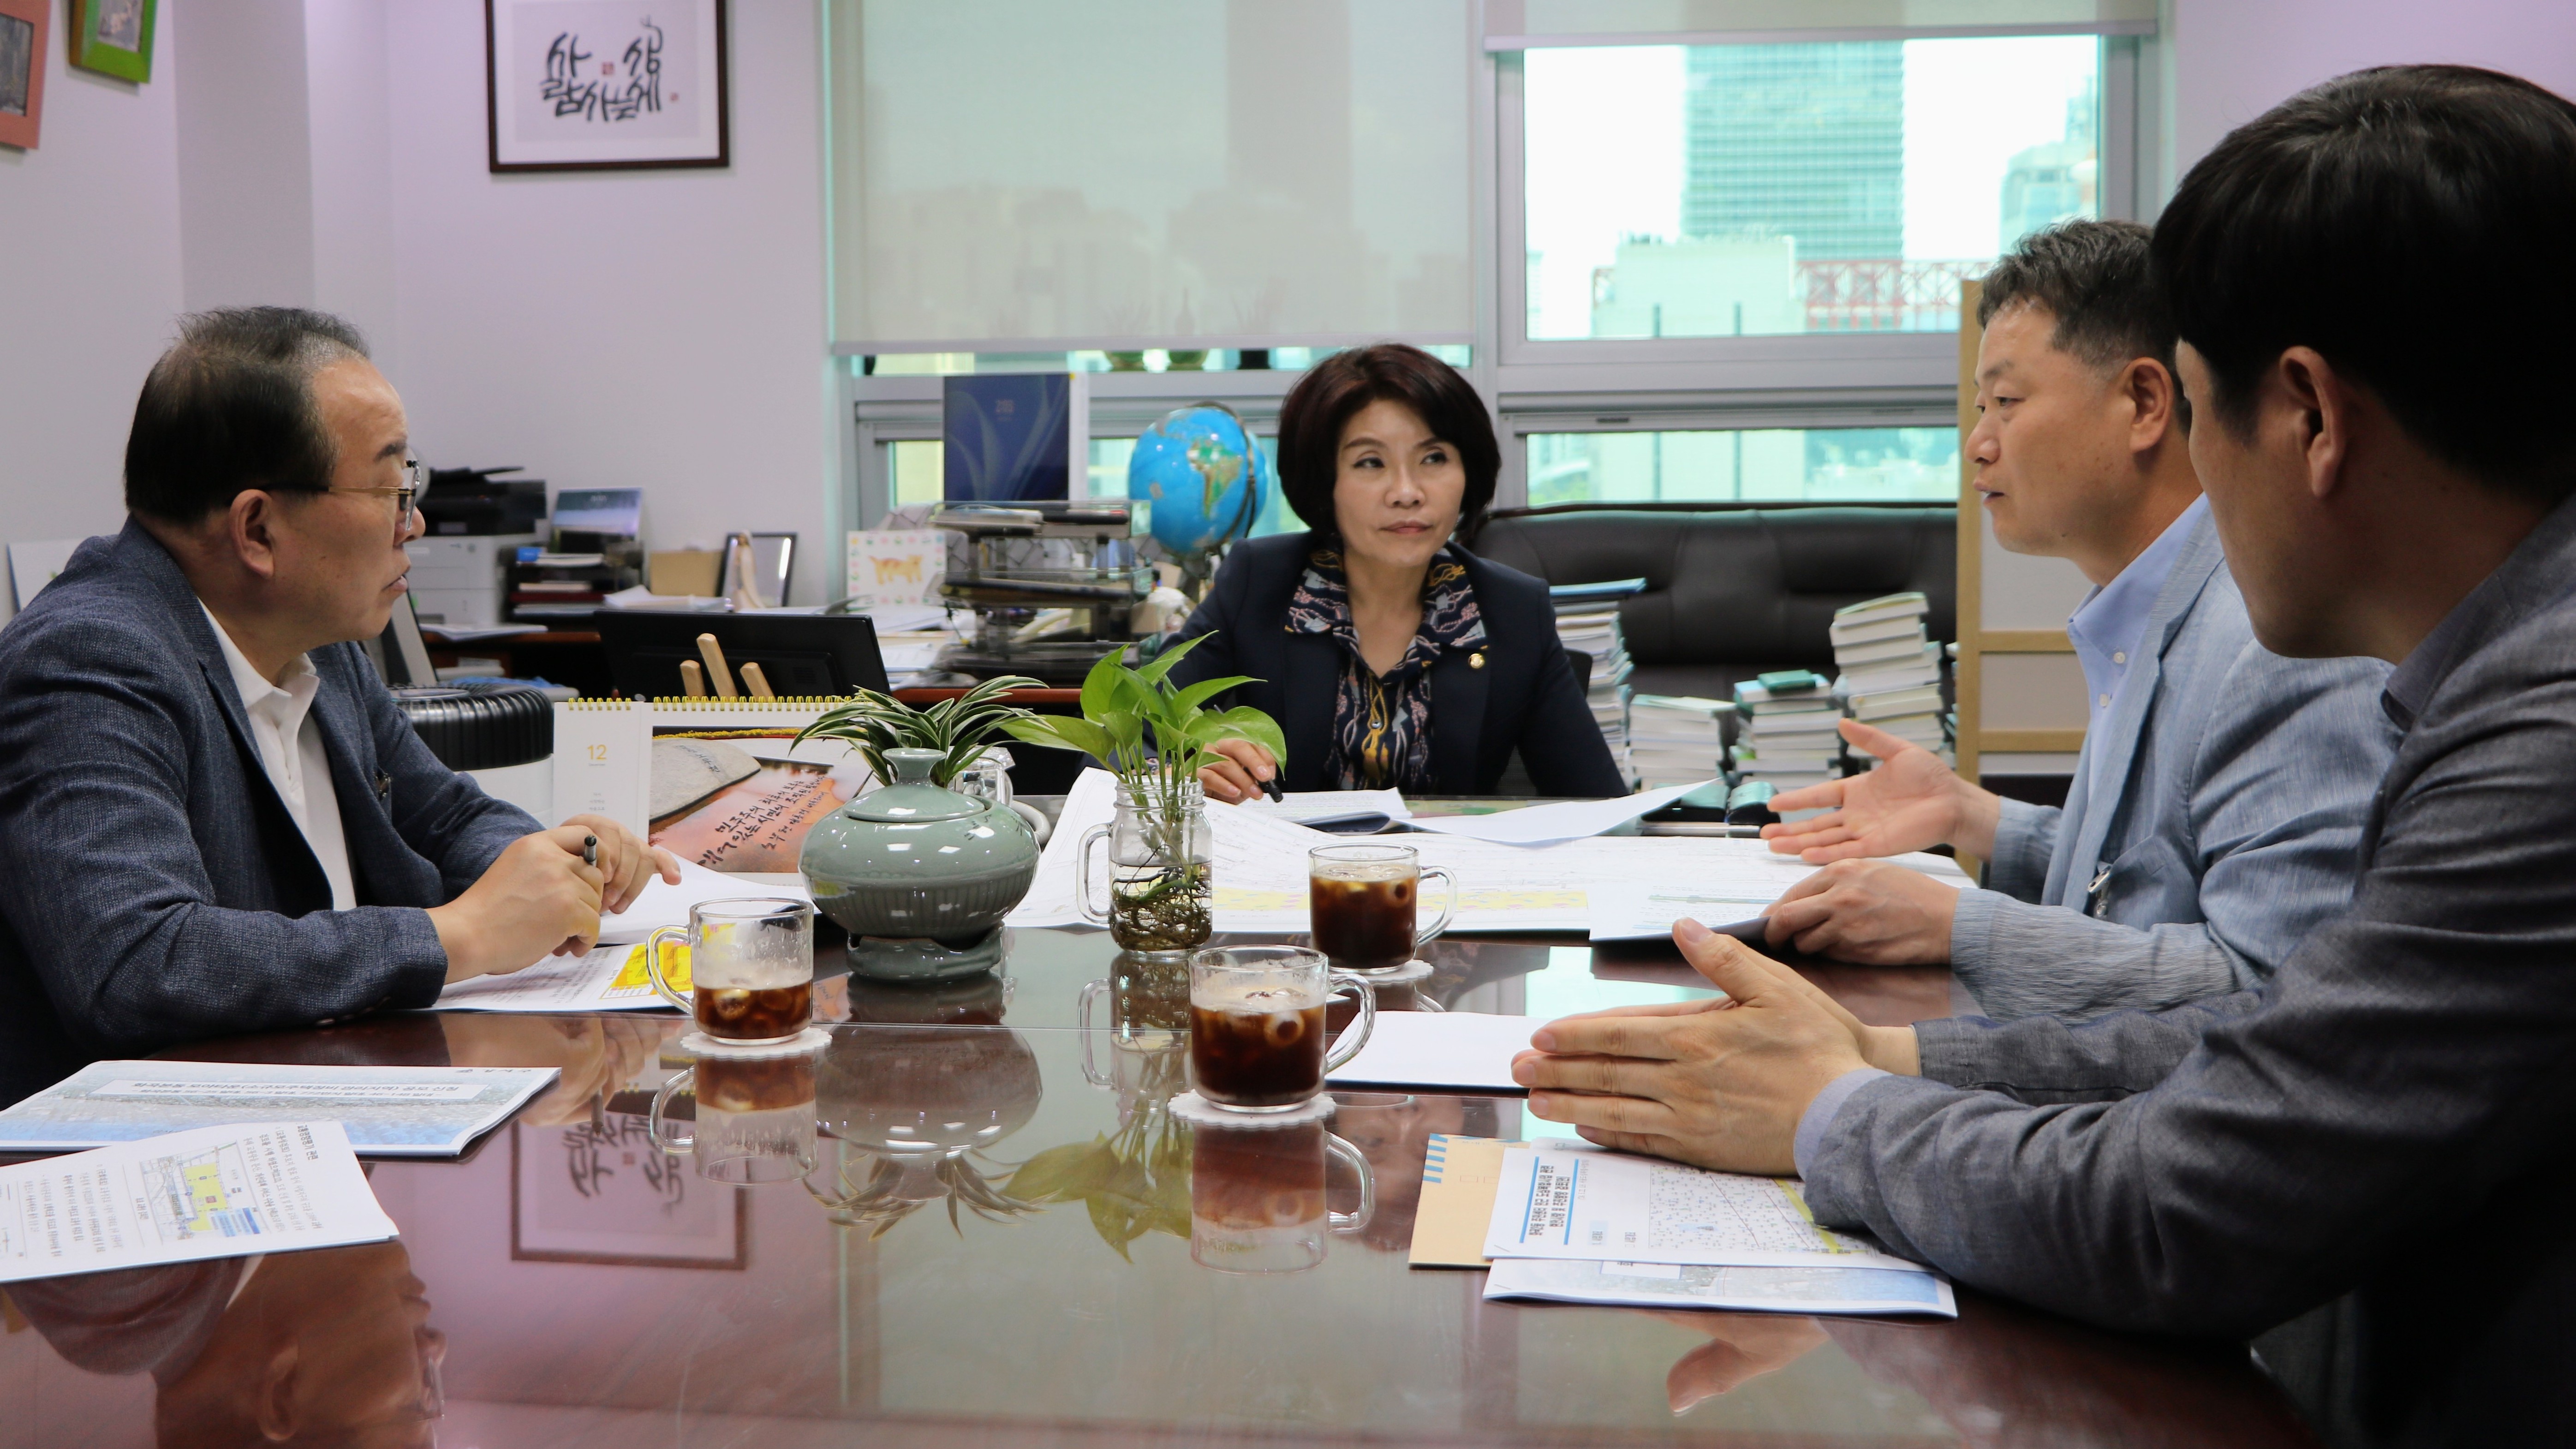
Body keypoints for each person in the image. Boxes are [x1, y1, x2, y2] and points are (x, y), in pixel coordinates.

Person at [1512, 66, 2576, 1444]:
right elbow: (2270, 1037)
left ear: (2306, 417)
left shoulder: (2531, 745)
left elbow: (2193, 1197)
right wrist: (1887, 1050)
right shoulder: (2503, 671)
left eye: (2202, 407)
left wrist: (1834, 1107)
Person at [0, 307, 677, 1105]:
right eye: (391, 490)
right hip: (178, 1150)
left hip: (346, 1096)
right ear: (258, 528)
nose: (413, 524)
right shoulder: (86, 662)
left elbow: (445, 819)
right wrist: (458, 935)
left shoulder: (318, 642)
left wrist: (563, 865)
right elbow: (139, 963)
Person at [1756, 221, 2396, 1021]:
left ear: (2143, 403)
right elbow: (2155, 878)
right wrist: (1975, 816)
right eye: (1979, 407)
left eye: (2006, 404)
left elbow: (2268, 993)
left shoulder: (2274, 646)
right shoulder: (2159, 606)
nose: (1976, 445)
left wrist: (1962, 927)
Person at [1167, 343, 1624, 800]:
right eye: (1371, 462)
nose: (1407, 492)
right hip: (1286, 849)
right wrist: (1187, 759)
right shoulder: (1260, 582)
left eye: (1434, 458)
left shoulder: (1512, 610)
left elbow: (1598, 803)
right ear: (1326, 482)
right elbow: (1136, 725)